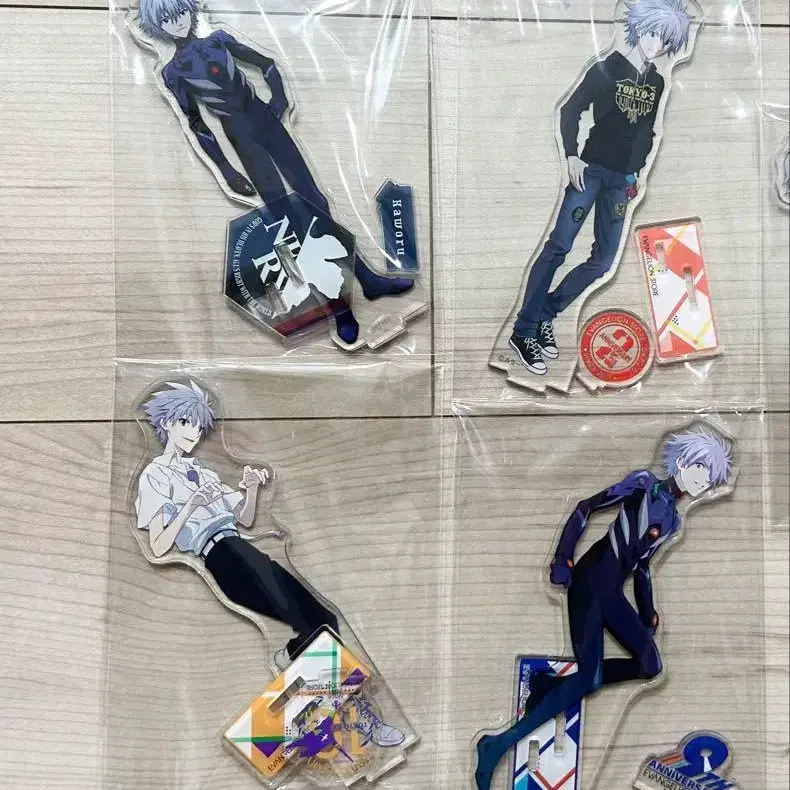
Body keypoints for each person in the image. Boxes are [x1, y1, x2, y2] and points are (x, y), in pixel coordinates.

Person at [134, 380, 404, 748]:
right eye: (186, 423)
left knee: (325, 619)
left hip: (244, 550)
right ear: (166, 423)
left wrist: (250, 488)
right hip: (222, 560)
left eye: (198, 426)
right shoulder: (154, 476)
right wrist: (191, 506)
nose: (193, 433)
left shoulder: (204, 471)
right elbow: (158, 546)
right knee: (315, 627)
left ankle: (296, 665)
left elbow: (244, 519)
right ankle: (359, 719)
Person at [135, 0, 414, 343]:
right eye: (166, 18)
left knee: (316, 202)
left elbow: (266, 64)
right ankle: (339, 306)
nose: (177, 22)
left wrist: (278, 98)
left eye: (180, 12)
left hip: (267, 121)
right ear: (156, 27)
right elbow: (197, 125)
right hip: (241, 137)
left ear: (191, 10)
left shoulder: (219, 39)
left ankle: (367, 279)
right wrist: (227, 170)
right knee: (290, 222)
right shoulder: (173, 73)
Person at [473, 429, 732, 790]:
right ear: (683, 462)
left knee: (650, 665)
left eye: (710, 481)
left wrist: (648, 611)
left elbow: (642, 567)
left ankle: (551, 685)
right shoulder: (643, 485)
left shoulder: (673, 520)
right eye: (702, 471)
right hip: (589, 583)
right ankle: (496, 745)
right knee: (589, 679)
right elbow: (586, 506)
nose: (703, 483)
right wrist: (563, 558)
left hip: (613, 593)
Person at [508, 0, 694, 375]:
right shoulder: (607, 68)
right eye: (653, 33)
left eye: (665, 40)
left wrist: (638, 173)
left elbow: (647, 131)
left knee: (603, 261)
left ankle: (545, 312)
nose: (656, 44)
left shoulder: (657, 82)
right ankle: (523, 331)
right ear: (638, 29)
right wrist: (571, 156)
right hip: (590, 172)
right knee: (558, 247)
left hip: (621, 182)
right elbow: (570, 110)